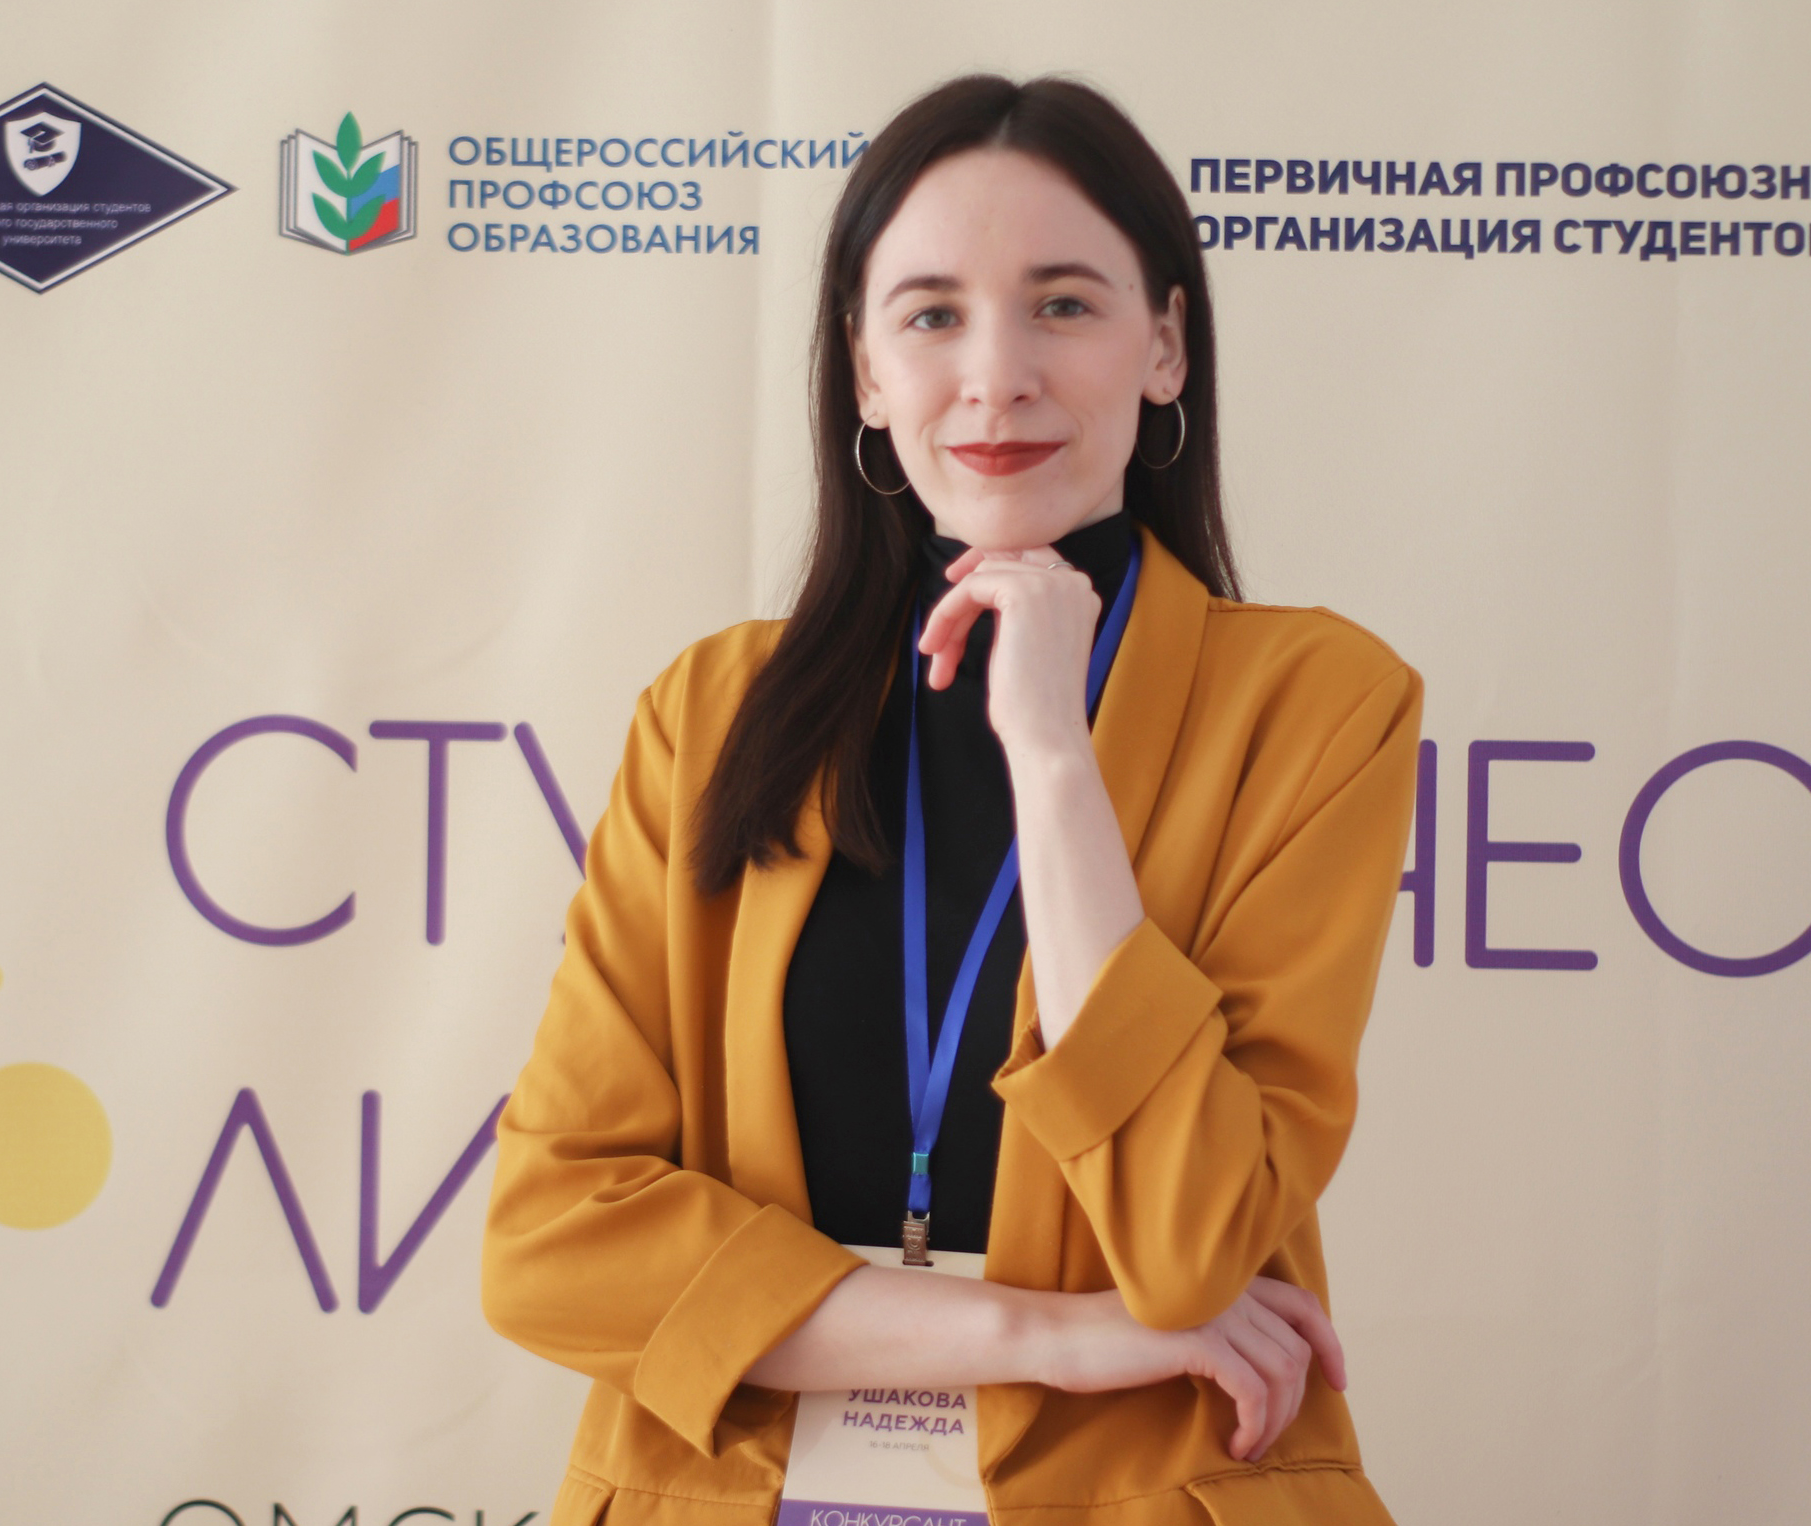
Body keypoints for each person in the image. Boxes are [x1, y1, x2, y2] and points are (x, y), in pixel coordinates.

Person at [482, 74, 1423, 1526]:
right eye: (930, 315)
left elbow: (1191, 1248)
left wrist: (1050, 753)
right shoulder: (713, 712)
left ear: (1164, 345)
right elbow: (551, 1241)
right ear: (863, 371)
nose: (996, 376)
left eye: (1063, 304)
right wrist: (1048, 1336)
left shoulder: (1311, 702)